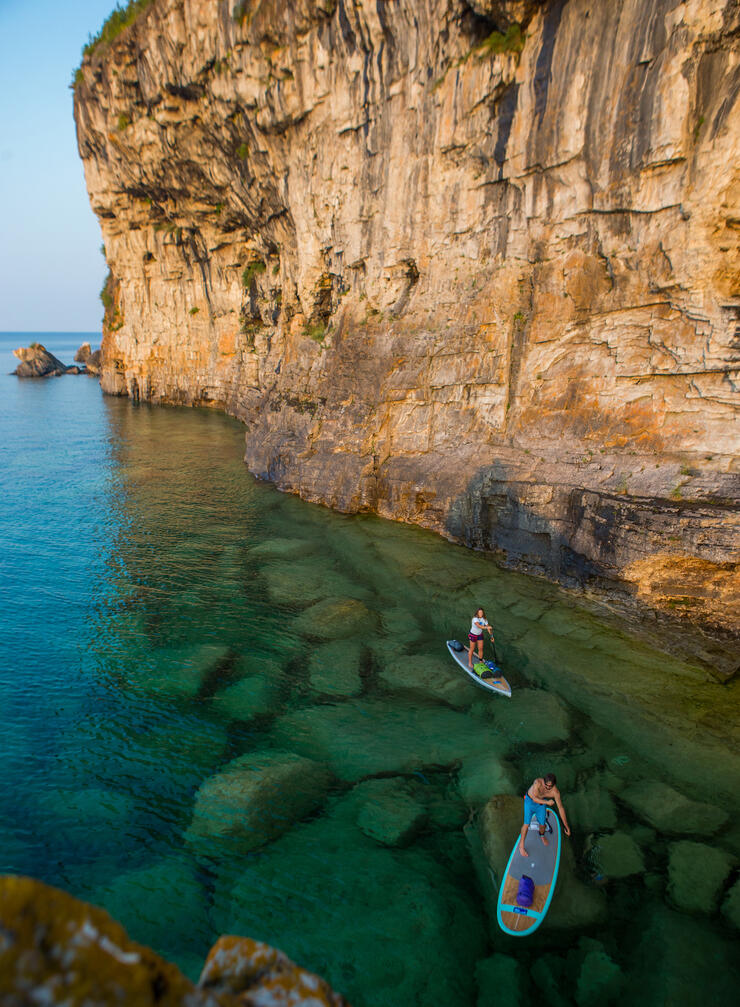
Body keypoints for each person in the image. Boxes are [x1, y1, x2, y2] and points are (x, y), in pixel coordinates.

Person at [518, 773, 571, 857]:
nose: (548, 788)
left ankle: (542, 835)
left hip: (541, 803)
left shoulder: (555, 792)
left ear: (554, 784)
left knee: (542, 824)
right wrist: (547, 802)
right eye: (546, 785)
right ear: (543, 782)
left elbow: (560, 808)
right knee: (526, 823)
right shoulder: (537, 783)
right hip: (530, 801)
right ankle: (521, 846)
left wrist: (566, 825)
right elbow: (535, 799)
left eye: (551, 786)